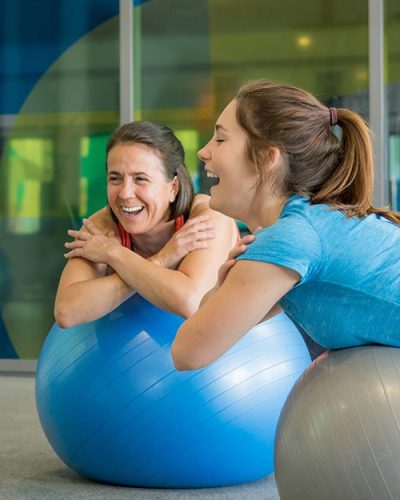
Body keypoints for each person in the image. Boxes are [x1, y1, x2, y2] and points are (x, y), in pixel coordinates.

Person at [172, 80, 400, 371]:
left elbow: (187, 352)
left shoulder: (290, 240)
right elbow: (211, 322)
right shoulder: (309, 228)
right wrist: (221, 284)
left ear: (267, 158)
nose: (203, 152)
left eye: (220, 139)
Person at [54, 121, 238, 327]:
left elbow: (190, 302)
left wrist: (114, 254)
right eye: (115, 178)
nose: (125, 193)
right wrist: (162, 259)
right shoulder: (102, 226)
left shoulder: (207, 217)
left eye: (140, 179)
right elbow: (66, 312)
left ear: (173, 187)